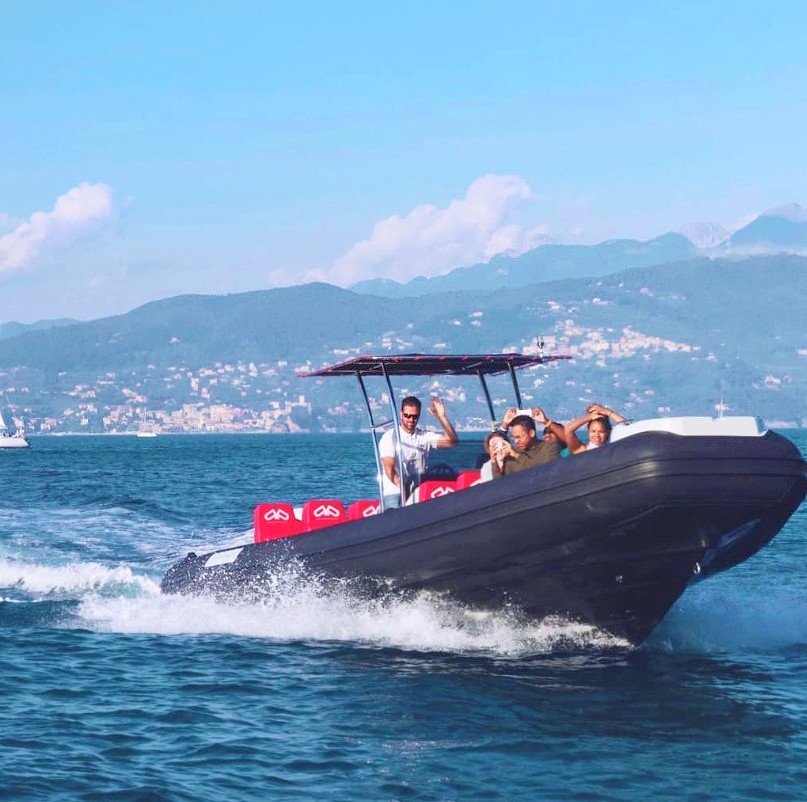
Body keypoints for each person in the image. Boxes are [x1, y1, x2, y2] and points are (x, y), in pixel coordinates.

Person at [379, 395, 458, 508]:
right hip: (395, 492)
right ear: (401, 414)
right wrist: (403, 489)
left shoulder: (423, 436)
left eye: (414, 417)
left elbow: (451, 441)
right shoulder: (390, 437)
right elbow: (388, 467)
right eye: (407, 416)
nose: (411, 419)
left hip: (418, 491)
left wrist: (441, 417)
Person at [491, 408, 562, 478]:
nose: (516, 441)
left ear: (531, 433)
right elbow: (501, 484)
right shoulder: (512, 455)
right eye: (514, 437)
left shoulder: (550, 447)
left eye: (519, 437)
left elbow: (549, 473)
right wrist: (494, 461)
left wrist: (517, 456)